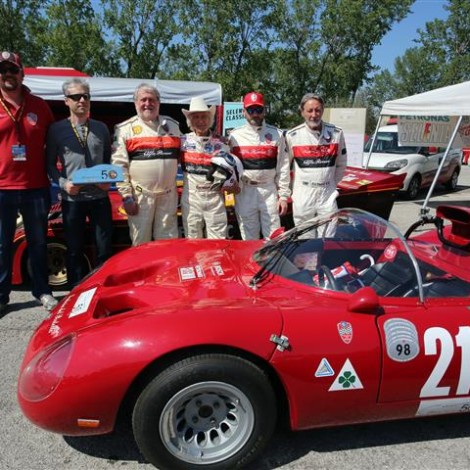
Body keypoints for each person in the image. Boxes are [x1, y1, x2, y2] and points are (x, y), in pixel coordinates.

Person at [0, 51, 58, 313]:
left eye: (12, 70)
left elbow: (54, 142)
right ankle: (2, 297)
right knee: (1, 244)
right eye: (3, 70)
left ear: (22, 74)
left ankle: (42, 291)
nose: (7, 75)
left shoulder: (39, 105)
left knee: (38, 242)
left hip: (36, 187)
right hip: (2, 188)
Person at [46, 78, 113, 289]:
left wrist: (108, 182)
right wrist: (64, 184)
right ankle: (75, 290)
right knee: (74, 249)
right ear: (66, 101)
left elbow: (110, 162)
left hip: (100, 198)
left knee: (103, 248)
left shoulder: (101, 128)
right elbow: (48, 165)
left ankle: (102, 288)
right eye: (76, 97)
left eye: (86, 96)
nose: (82, 100)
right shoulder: (56, 130)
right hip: (72, 199)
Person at [112, 83, 181, 245]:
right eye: (143, 100)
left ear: (159, 103)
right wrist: (127, 197)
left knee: (168, 244)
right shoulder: (124, 129)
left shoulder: (173, 125)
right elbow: (119, 166)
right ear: (136, 103)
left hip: (168, 196)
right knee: (140, 243)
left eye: (152, 100)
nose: (147, 104)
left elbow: (187, 149)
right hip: (140, 197)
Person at [228, 92, 290, 240]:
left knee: (274, 238)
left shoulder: (277, 135)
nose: (255, 114)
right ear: (243, 112)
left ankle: (272, 264)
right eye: (250, 110)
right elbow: (228, 168)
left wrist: (283, 196)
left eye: (258, 110)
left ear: (264, 110)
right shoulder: (234, 137)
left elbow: (283, 167)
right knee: (249, 238)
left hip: (269, 190)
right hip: (245, 191)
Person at [285, 93, 347, 226]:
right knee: (304, 240)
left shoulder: (336, 133)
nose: (314, 115)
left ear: (323, 110)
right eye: (309, 110)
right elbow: (284, 168)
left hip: (327, 195)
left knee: (328, 238)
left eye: (318, 110)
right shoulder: (292, 136)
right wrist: (287, 192)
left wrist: (330, 183)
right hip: (303, 194)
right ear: (302, 112)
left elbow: (341, 164)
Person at [180, 96, 232, 238]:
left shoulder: (222, 143)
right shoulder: (182, 142)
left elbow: (232, 172)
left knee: (218, 243)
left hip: (215, 198)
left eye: (204, 117)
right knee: (192, 241)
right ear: (190, 121)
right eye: (196, 117)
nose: (201, 121)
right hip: (191, 199)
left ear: (210, 119)